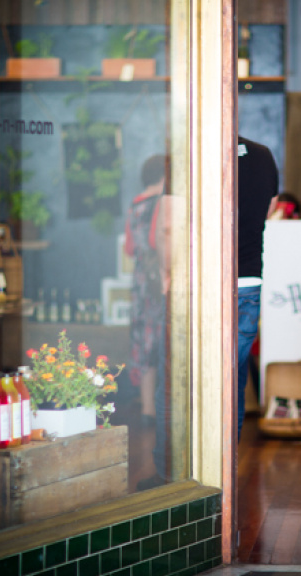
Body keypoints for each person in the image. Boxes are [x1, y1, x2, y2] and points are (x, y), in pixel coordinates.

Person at [236, 135, 279, 439]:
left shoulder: (196, 151)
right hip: (249, 278)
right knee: (235, 377)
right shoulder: (262, 155)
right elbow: (270, 208)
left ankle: (201, 462)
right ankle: (227, 461)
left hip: (206, 280)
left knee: (199, 378)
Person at [124, 155, 168, 424]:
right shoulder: (162, 202)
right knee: (164, 339)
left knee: (144, 340)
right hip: (160, 278)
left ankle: (147, 410)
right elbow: (157, 239)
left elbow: (130, 248)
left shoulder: (135, 204)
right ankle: (168, 408)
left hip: (141, 280)